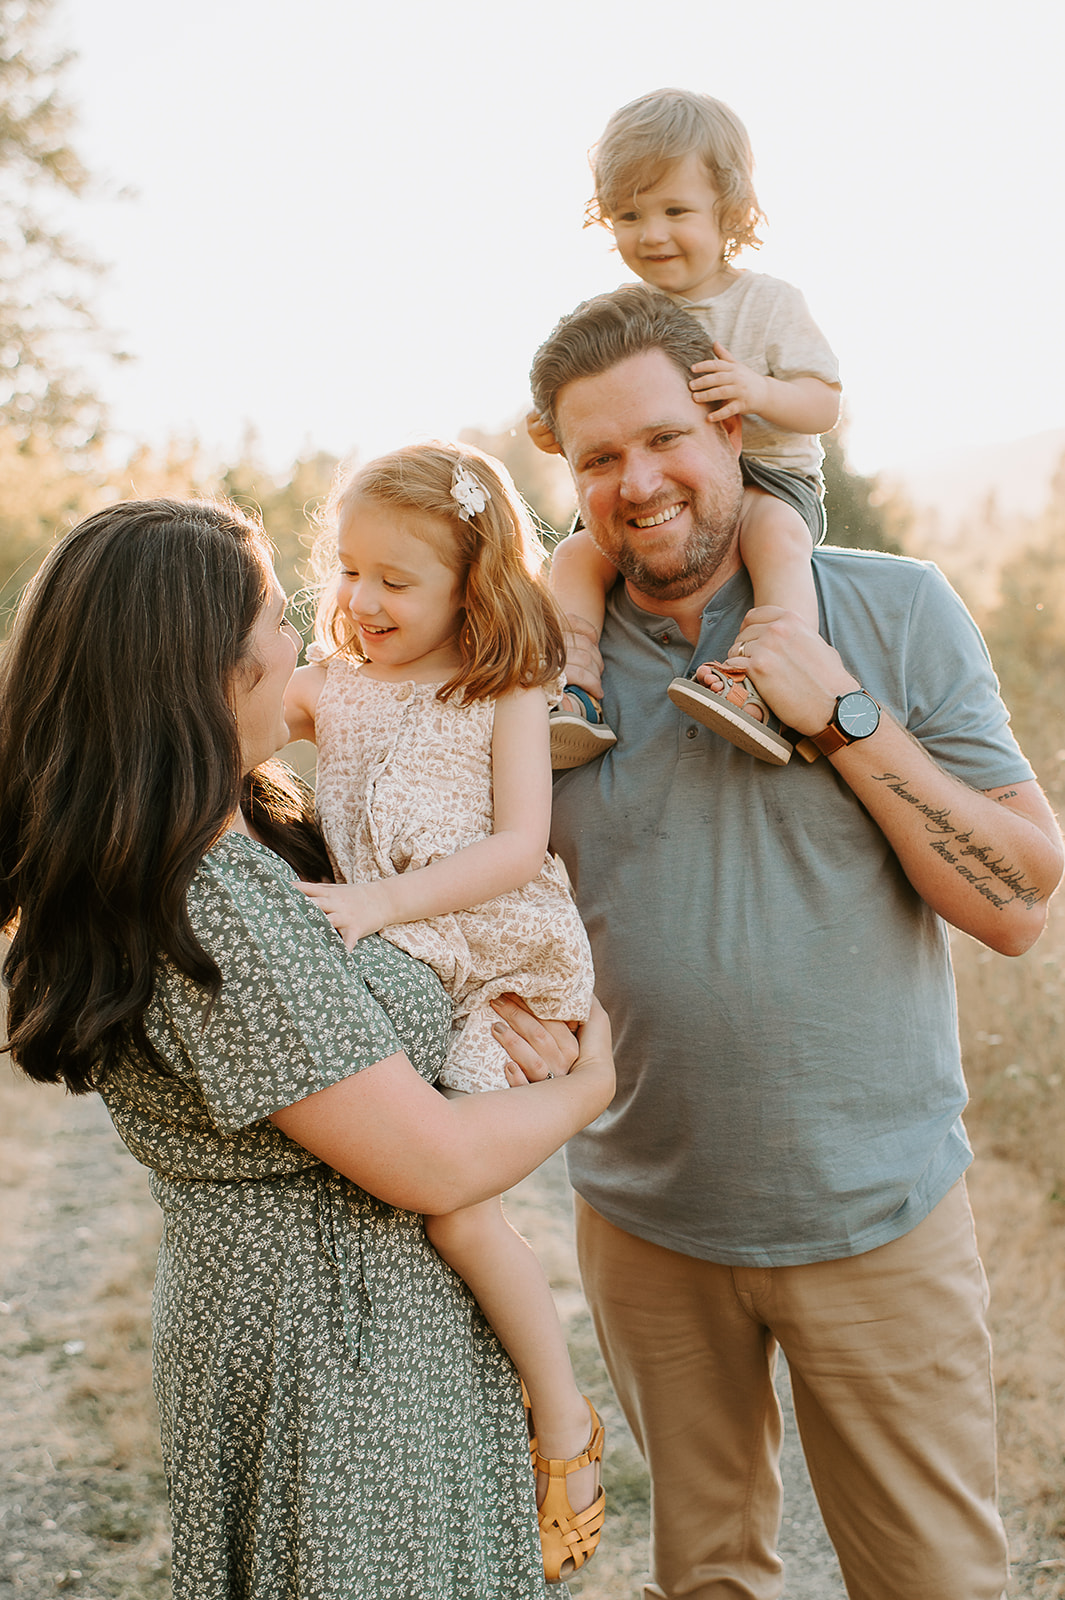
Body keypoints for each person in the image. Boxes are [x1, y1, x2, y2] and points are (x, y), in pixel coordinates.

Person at [528, 284, 1064, 1600]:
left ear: (729, 434)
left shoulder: (886, 609)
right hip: (646, 1226)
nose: (637, 481)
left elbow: (1015, 902)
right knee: (705, 1580)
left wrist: (845, 723)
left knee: (934, 1582)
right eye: (598, 458)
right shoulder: (545, 670)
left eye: (664, 438)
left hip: (874, 1219)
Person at [0, 496, 615, 1600]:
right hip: (334, 1360)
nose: (307, 637)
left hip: (343, 1334)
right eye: (279, 616)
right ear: (209, 672)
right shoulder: (215, 897)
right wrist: (594, 1079)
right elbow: (430, 1161)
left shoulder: (243, 851)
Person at [282, 441, 604, 1583]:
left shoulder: (500, 684)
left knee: (456, 1207)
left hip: (491, 948)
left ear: (472, 585)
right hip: (388, 947)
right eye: (348, 570)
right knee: (387, 1184)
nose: (363, 603)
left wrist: (380, 900)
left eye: (395, 581)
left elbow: (520, 844)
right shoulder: (331, 684)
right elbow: (213, 724)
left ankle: (561, 1420)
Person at [530, 87, 840, 769]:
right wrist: (557, 423)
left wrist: (755, 390)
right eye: (629, 214)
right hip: (674, 486)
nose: (652, 233)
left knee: (775, 538)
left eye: (675, 210)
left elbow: (822, 404)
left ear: (728, 211)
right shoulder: (619, 310)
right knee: (573, 556)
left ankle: (767, 681)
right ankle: (572, 687)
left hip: (768, 475)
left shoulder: (765, 303)